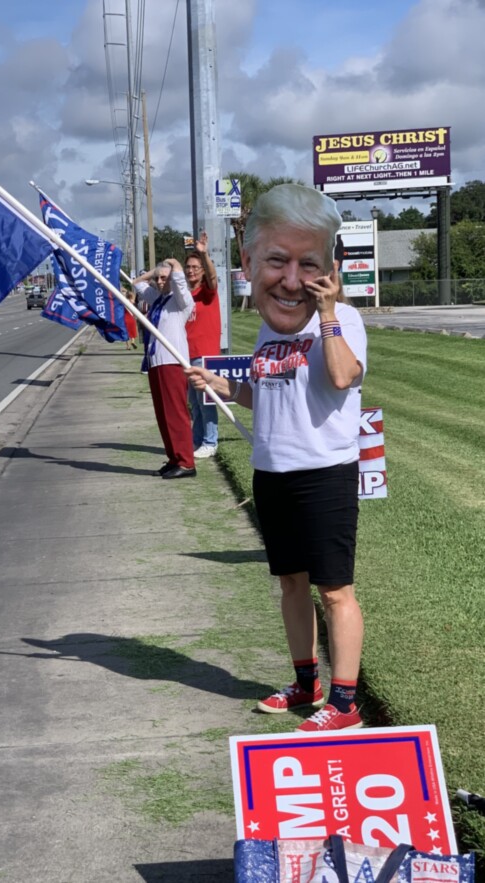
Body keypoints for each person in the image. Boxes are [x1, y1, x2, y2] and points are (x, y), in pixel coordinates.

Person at [186, 183, 367, 732]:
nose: (294, 280)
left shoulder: (342, 321)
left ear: (327, 265)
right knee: (290, 583)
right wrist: (223, 384)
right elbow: (269, 390)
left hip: (325, 473)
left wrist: (330, 313)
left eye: (308, 263)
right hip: (273, 471)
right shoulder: (273, 324)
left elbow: (340, 377)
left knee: (334, 590)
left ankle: (344, 702)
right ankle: (306, 680)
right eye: (278, 262)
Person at [134, 259, 196, 479]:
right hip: (156, 361)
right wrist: (155, 271)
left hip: (172, 361)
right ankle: (174, 458)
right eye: (158, 279)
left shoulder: (181, 301)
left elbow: (180, 283)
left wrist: (174, 266)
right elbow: (137, 284)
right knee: (163, 415)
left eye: (164, 279)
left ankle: (187, 462)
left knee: (176, 414)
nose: (159, 282)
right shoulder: (158, 299)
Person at [184, 232, 221, 460]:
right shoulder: (185, 294)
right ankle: (197, 440)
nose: (191, 271)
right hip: (186, 355)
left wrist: (205, 254)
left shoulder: (207, 292)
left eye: (196, 267)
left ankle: (210, 441)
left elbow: (214, 278)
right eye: (188, 267)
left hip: (204, 356)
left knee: (205, 401)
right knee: (195, 403)